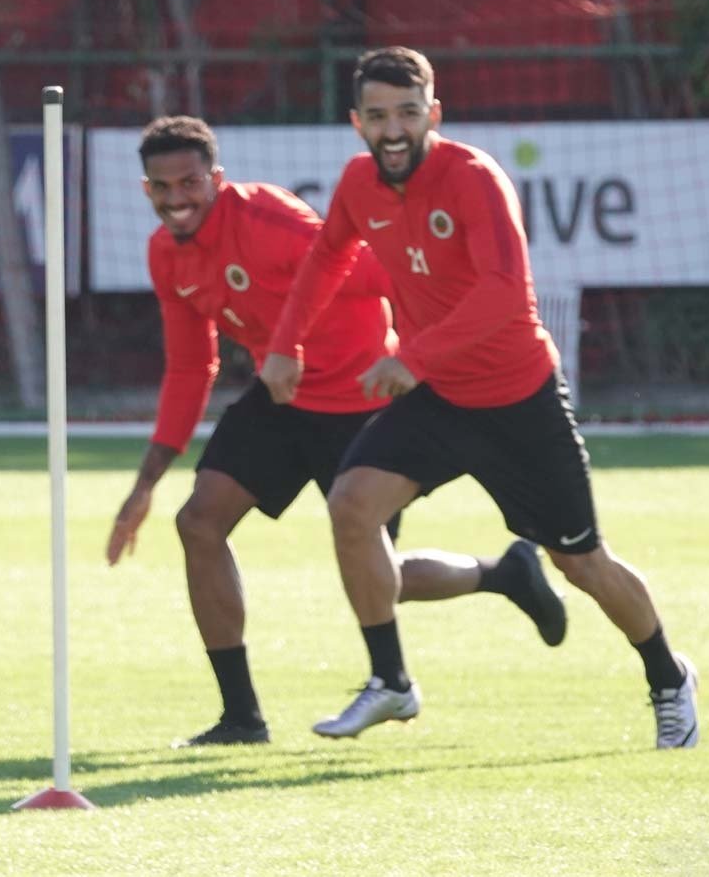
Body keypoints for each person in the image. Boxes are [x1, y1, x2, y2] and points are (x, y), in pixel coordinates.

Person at [261, 47, 699, 748]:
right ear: (357, 122)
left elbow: (505, 293)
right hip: (438, 397)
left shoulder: (473, 177)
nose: (394, 129)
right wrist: (287, 343)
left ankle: (669, 679)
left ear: (433, 114)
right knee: (352, 505)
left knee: (582, 563)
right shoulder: (357, 182)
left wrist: (413, 356)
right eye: (378, 115)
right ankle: (391, 682)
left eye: (408, 113)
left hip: (518, 400)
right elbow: (327, 256)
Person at [106, 115, 568, 748]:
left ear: (216, 178)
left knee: (377, 575)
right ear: (146, 190)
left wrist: (421, 358)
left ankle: (502, 575)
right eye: (162, 187)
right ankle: (242, 719)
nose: (177, 199)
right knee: (198, 522)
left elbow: (382, 273)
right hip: (281, 397)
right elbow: (190, 368)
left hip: (361, 399)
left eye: (190, 182)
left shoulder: (270, 222)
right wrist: (145, 485)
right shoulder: (165, 255)